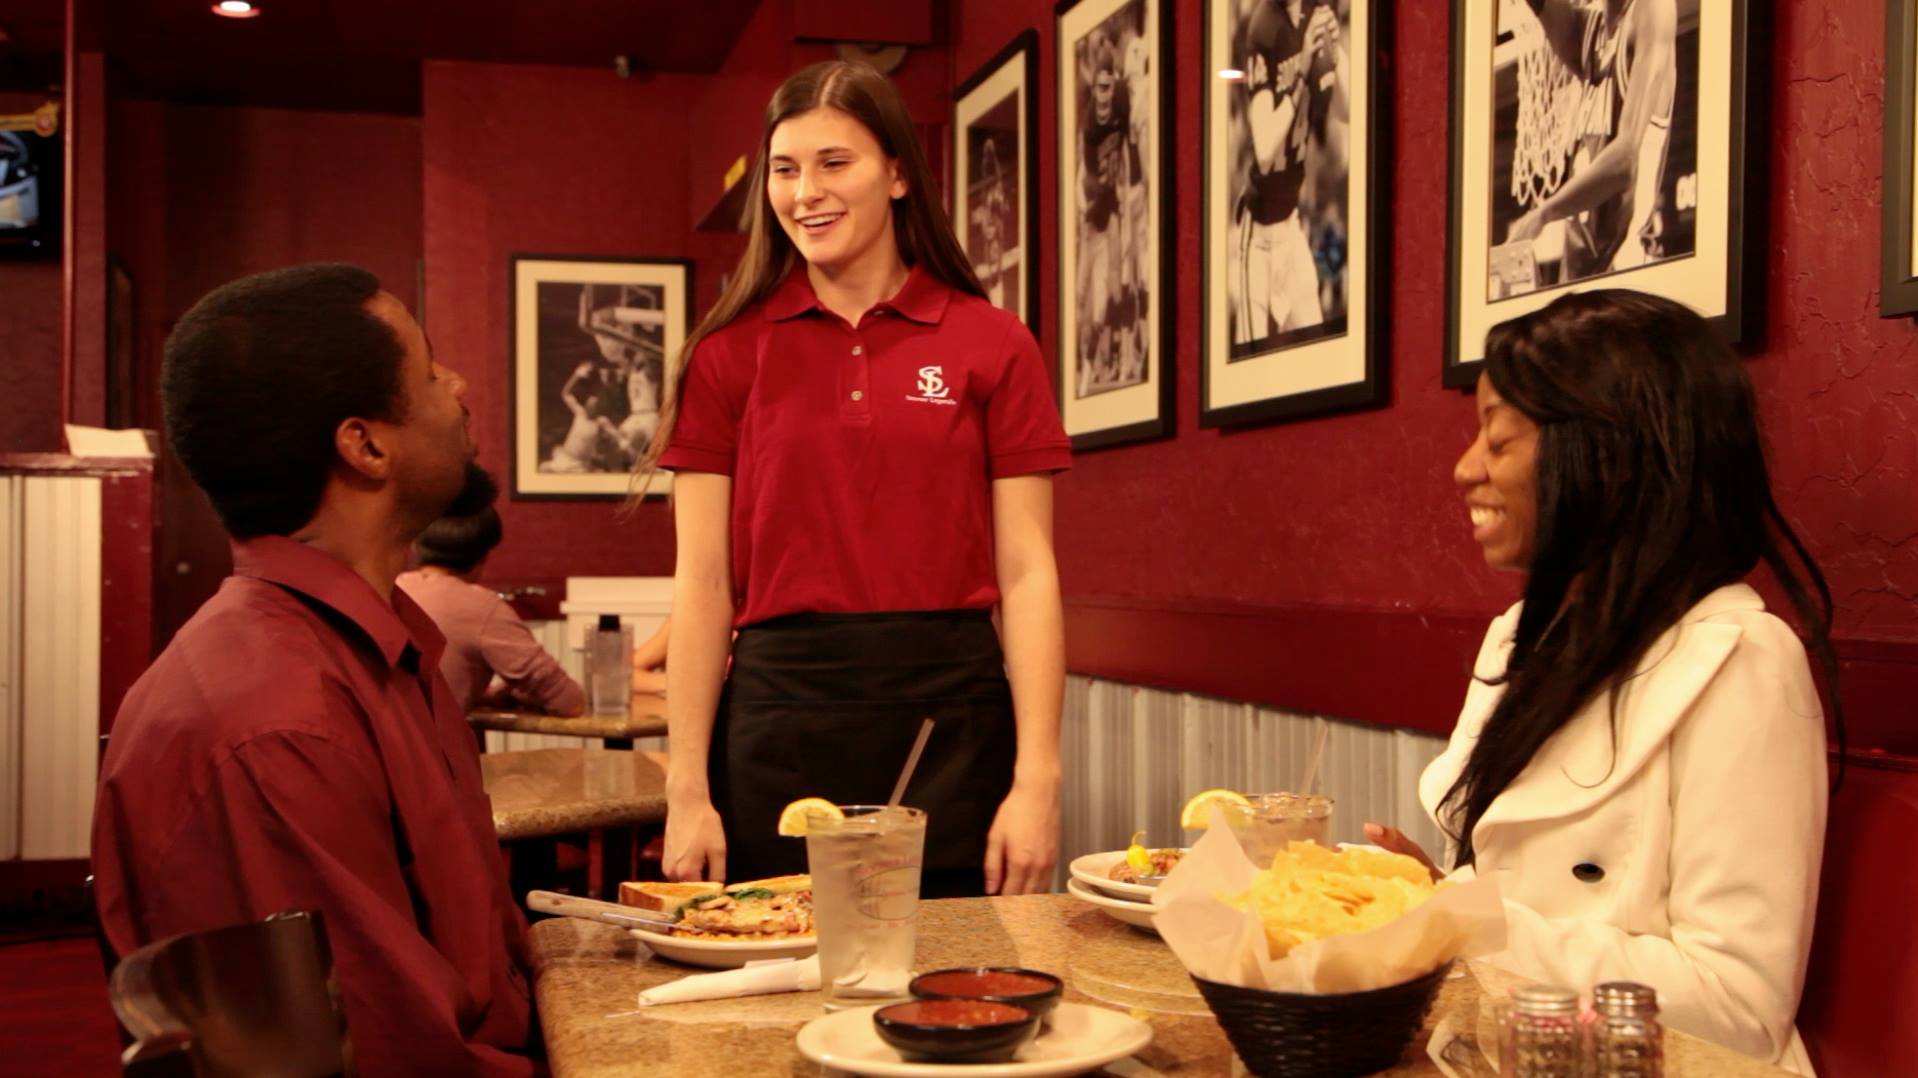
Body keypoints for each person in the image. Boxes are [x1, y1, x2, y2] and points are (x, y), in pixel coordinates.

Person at [1365, 290, 1840, 1075]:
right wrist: (1423, 896)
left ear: (1606, 455)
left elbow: (1739, 1008)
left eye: (1499, 437)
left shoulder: (1745, 660)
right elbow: (1508, 893)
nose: (1465, 468)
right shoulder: (1521, 638)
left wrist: (1456, 915)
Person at [91, 264, 537, 1076]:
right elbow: (392, 1056)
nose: (459, 385)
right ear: (365, 445)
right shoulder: (278, 721)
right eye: (431, 369)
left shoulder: (371, 649)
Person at [639, 60, 1071, 899]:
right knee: (779, 991)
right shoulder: (726, 356)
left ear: (900, 173)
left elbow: (1027, 573)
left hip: (954, 711)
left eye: (835, 163)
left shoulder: (994, 343)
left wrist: (1039, 777)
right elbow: (701, 583)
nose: (807, 192)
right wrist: (685, 790)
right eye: (786, 169)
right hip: (777, 712)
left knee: (951, 991)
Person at [1504, 0, 1679, 277]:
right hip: (1580, 277)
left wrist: (1543, 213)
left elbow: (1625, 161)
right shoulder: (1589, 33)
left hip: (1626, 272)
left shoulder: (1651, 11)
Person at [398, 506, 586, 715]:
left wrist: (483, 697)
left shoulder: (390, 588)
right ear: (482, 557)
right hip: (431, 746)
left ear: (416, 543)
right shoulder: (481, 607)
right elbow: (570, 702)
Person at [1233, 0, 1343, 344]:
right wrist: (1299, 79)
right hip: (1259, 235)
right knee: (1248, 365)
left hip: (1291, 227)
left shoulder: (1316, 11)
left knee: (1318, 355)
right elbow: (1265, 151)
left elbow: (1351, 111)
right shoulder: (1264, 28)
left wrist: (1336, 52)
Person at [1075, 35, 1140, 392]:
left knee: (1108, 296)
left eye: (1108, 88)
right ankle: (1084, 357)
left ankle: (1098, 360)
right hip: (1092, 218)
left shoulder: (1121, 104)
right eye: (1099, 88)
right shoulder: (1089, 127)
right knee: (1081, 296)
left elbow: (1129, 144)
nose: (1103, 97)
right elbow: (1089, 184)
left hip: (1112, 213)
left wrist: (1127, 192)